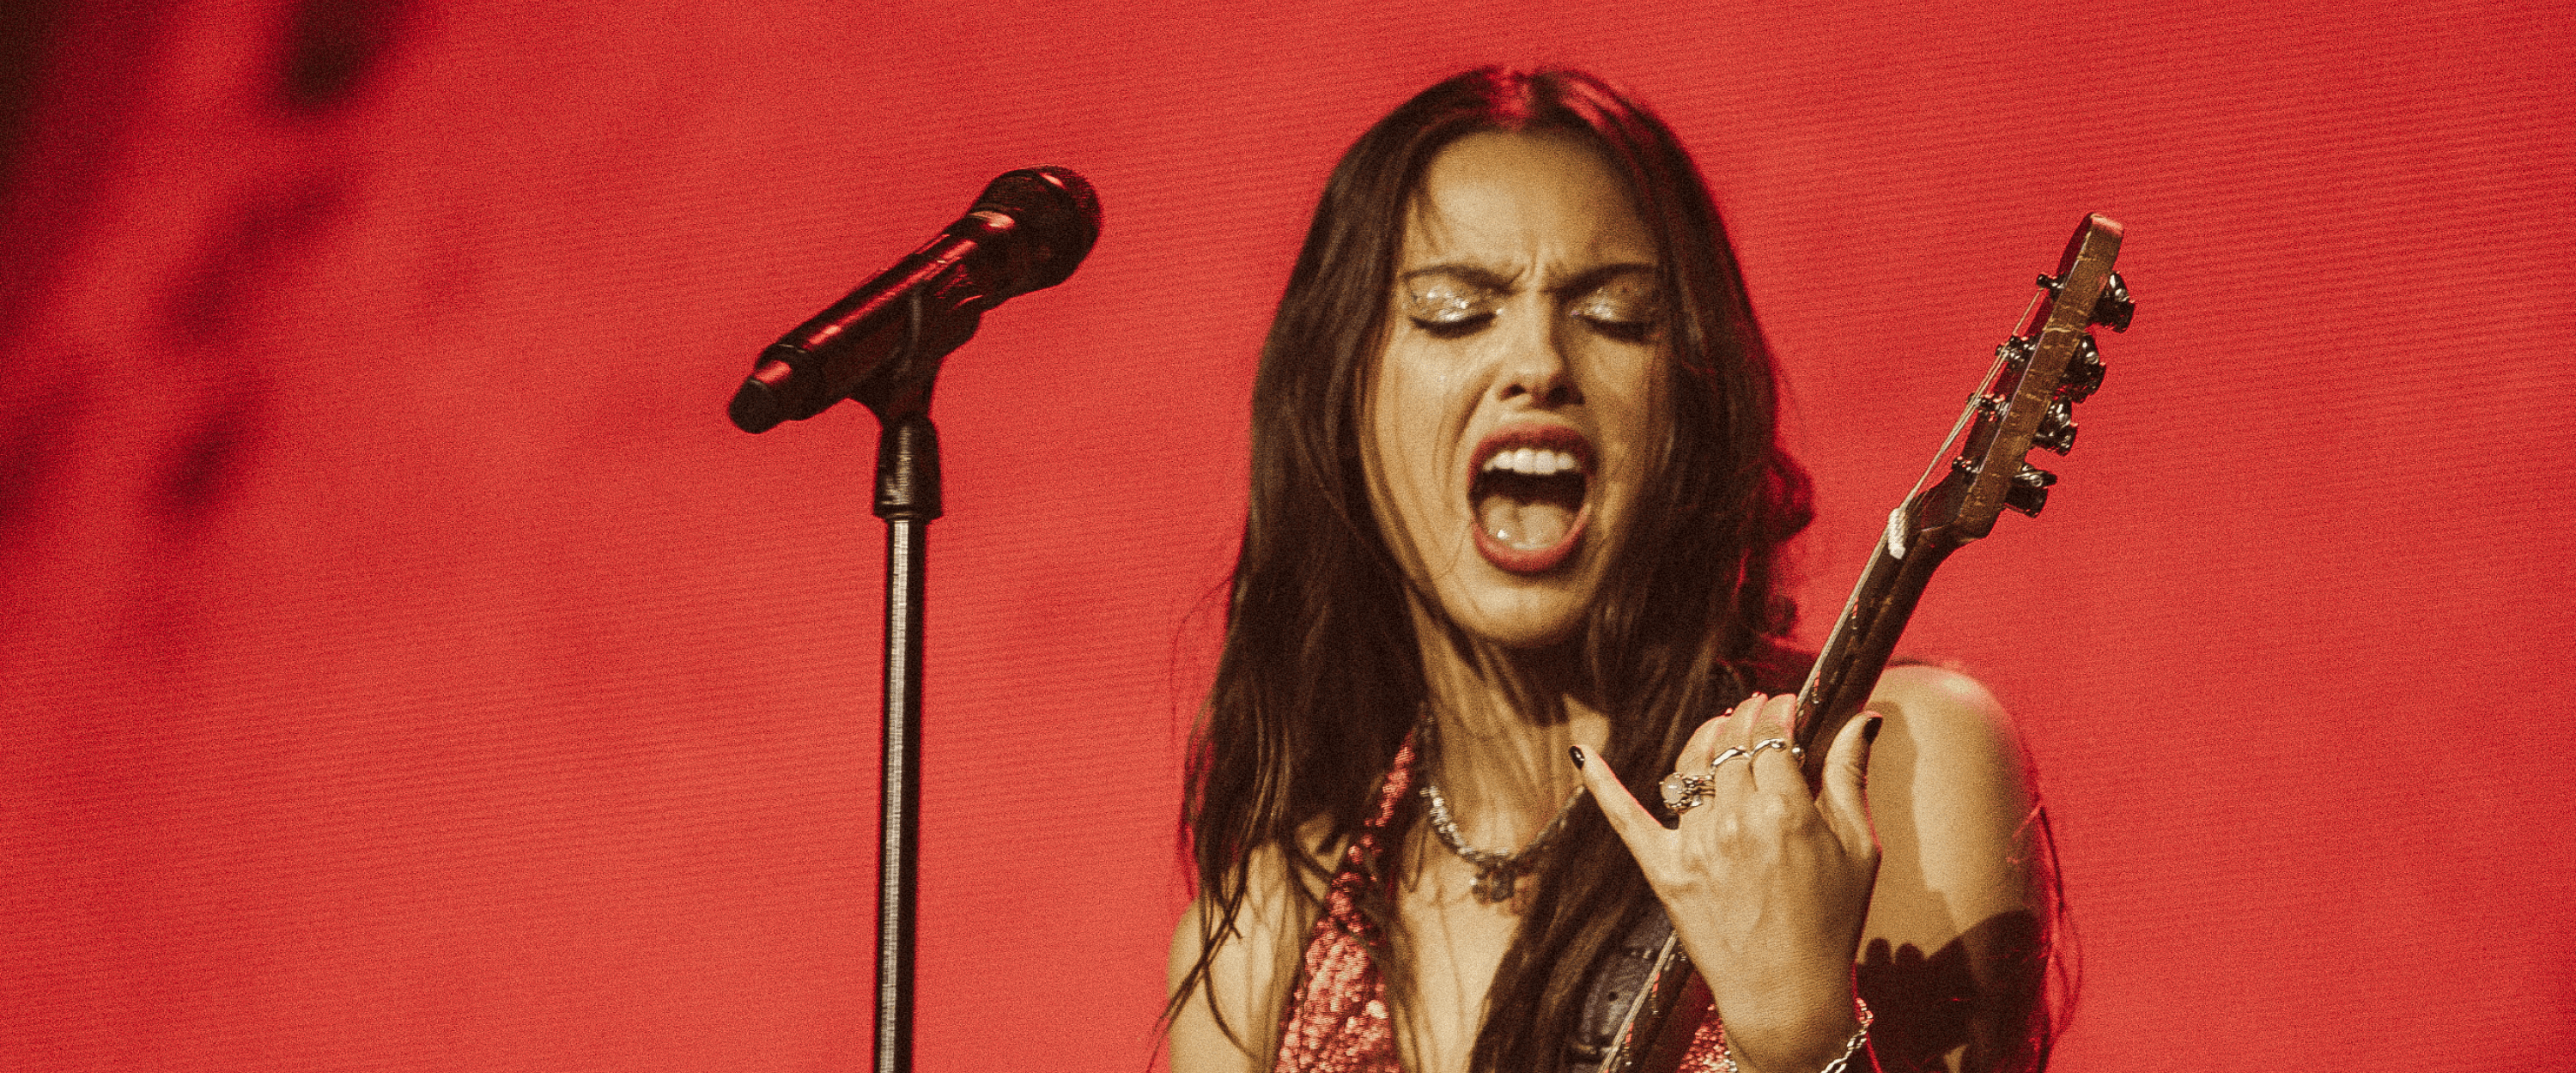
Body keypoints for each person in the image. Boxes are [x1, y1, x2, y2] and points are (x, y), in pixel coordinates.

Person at [1165, 67, 2061, 1073]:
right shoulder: (1261, 947)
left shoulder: (1879, 766)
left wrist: (1799, 1029)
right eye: (1456, 309)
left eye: (1618, 315)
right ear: (1342, 393)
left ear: (1687, 393)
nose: (1539, 359)